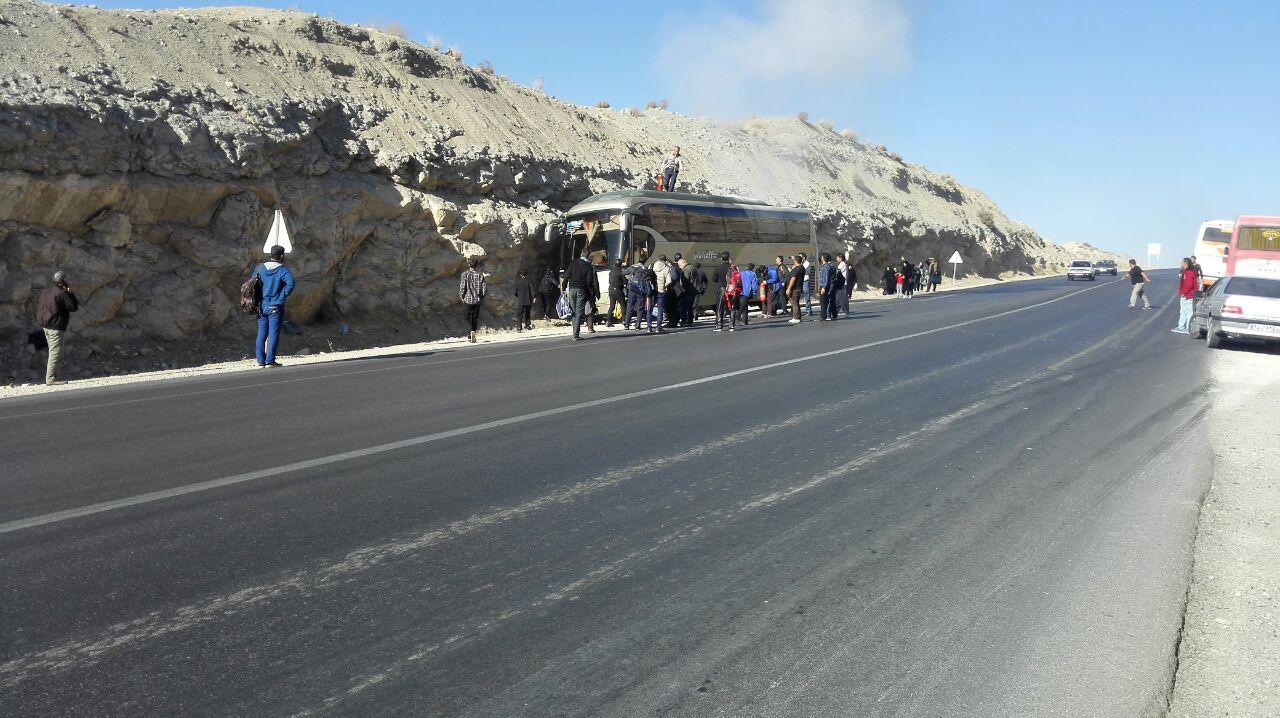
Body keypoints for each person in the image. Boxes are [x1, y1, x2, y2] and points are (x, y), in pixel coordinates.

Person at [249, 245, 297, 364]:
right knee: (273, 334)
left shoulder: (260, 268)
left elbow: (252, 284)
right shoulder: (282, 270)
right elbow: (290, 284)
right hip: (275, 306)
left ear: (271, 254)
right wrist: (281, 297)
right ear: (281, 256)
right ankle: (270, 360)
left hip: (261, 306)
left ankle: (261, 361)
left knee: (261, 334)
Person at [35, 270, 79, 385]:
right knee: (55, 353)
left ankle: (53, 376)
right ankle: (50, 379)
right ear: (61, 282)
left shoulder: (46, 291)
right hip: (56, 326)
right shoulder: (61, 293)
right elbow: (73, 307)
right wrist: (71, 293)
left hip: (46, 325)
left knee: (52, 351)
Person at [562, 250, 596, 340]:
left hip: (571, 289)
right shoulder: (588, 266)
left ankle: (574, 332)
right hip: (581, 290)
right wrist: (590, 293)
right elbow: (589, 282)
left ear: (581, 254)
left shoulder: (573, 263)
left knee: (573, 311)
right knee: (578, 312)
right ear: (588, 256)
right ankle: (576, 334)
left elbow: (566, 276)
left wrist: (563, 288)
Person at [458, 256, 486, 344]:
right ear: (477, 265)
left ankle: (470, 332)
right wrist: (481, 297)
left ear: (469, 264)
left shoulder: (464, 274)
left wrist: (462, 296)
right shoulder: (480, 276)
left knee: (467, 316)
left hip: (468, 299)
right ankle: (473, 331)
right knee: (475, 317)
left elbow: (462, 287)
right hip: (477, 300)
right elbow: (484, 289)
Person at [1175, 257, 1199, 332]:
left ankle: (1187, 328)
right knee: (1184, 311)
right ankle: (1181, 326)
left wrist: (1184, 293)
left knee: (1188, 312)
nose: (1180, 264)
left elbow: (1188, 284)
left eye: (1181, 262)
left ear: (1185, 264)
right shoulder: (1187, 272)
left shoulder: (1189, 273)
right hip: (1188, 295)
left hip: (1188, 296)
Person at [712, 251, 732, 330]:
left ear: (721, 259)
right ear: (728, 258)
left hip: (722, 289)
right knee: (732, 306)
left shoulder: (718, 268)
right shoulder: (732, 267)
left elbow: (714, 279)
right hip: (731, 289)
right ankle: (731, 325)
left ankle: (719, 325)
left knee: (720, 307)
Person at [819, 254, 841, 320]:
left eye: (822, 257)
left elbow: (826, 278)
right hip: (828, 286)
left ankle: (824, 315)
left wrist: (823, 287)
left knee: (824, 301)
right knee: (828, 301)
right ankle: (830, 315)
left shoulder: (825, 267)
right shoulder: (828, 267)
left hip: (825, 286)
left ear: (823, 258)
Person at [738, 262, 759, 328]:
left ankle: (745, 321)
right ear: (753, 268)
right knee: (743, 306)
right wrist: (753, 293)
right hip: (747, 292)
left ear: (746, 267)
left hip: (740, 291)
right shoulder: (753, 274)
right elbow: (754, 286)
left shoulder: (741, 273)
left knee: (744, 306)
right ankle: (737, 317)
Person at [665, 255, 684, 329]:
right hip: (676, 290)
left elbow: (674, 277)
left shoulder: (671, 269)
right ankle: (674, 321)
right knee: (674, 307)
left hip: (673, 290)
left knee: (670, 306)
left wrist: (668, 283)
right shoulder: (676, 269)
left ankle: (672, 322)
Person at [513, 268, 535, 332]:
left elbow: (515, 292)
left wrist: (519, 296)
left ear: (520, 275)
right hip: (528, 300)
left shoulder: (518, 283)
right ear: (527, 274)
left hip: (520, 301)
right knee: (527, 313)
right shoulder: (529, 282)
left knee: (519, 314)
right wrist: (533, 298)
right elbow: (532, 291)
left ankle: (519, 328)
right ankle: (527, 325)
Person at [786, 254, 806, 323]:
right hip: (799, 288)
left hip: (795, 288)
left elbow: (793, 279)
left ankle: (796, 317)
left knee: (794, 303)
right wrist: (795, 259)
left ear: (795, 261)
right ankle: (797, 316)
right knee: (795, 303)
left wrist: (789, 288)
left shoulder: (796, 269)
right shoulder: (802, 267)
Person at [607, 259, 626, 327]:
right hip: (618, 290)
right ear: (620, 265)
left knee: (612, 306)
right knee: (623, 305)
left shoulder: (611, 272)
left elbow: (609, 281)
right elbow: (625, 282)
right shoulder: (621, 272)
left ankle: (608, 320)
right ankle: (624, 320)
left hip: (611, 289)